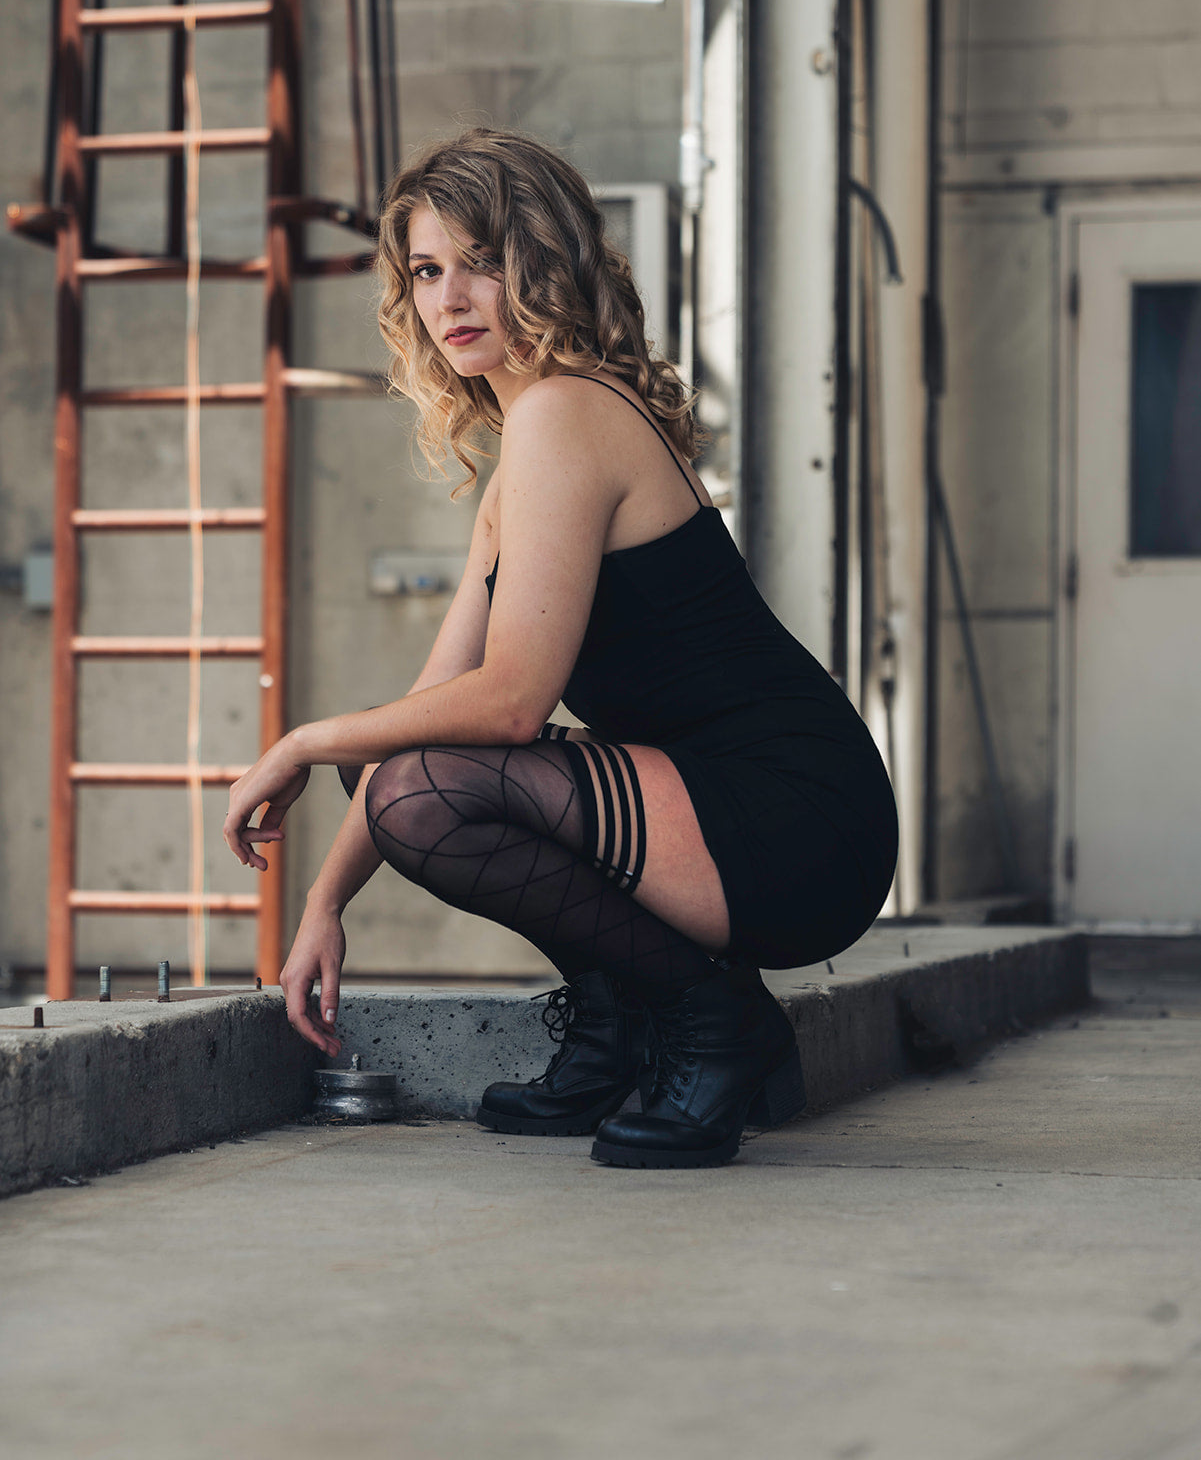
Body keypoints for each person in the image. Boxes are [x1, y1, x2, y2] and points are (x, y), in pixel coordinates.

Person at [223, 126, 898, 1170]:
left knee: (418, 787)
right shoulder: (529, 452)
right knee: (397, 768)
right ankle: (619, 1024)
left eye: (481, 261)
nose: (451, 298)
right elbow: (433, 700)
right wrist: (323, 903)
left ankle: (711, 1022)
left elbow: (508, 705)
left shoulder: (564, 415)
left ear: (544, 260)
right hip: (723, 804)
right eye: (427, 271)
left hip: (793, 816)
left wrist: (301, 740)